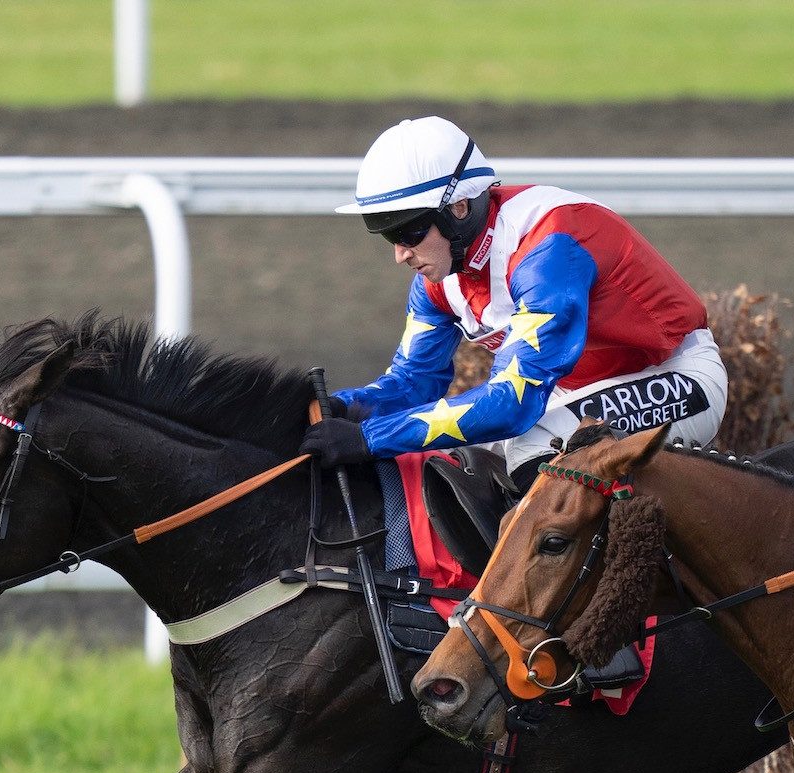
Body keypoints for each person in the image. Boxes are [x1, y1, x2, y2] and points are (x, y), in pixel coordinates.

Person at [303, 116, 729, 494]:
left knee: (534, 448)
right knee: (441, 458)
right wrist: (344, 407)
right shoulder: (439, 278)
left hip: (676, 376)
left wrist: (371, 438)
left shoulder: (549, 248)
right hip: (573, 393)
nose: (400, 253)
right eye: (387, 235)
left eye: (409, 232)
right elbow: (414, 382)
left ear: (459, 208)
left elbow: (513, 404)